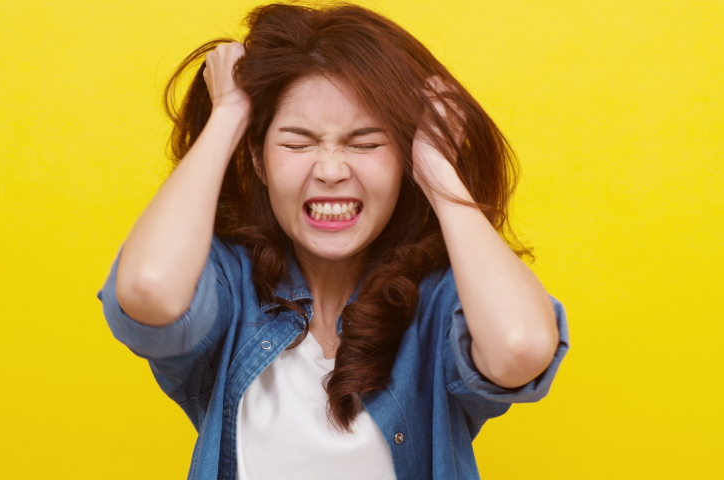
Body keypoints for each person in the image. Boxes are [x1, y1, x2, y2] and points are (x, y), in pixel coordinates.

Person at [97, 2, 569, 479]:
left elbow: (521, 347)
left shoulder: (437, 302)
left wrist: (437, 169)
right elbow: (148, 287)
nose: (330, 171)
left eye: (365, 144)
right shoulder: (231, 290)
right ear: (259, 161)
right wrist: (229, 115)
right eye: (297, 144)